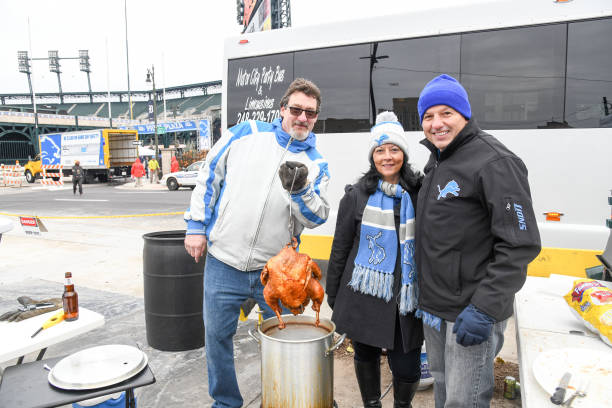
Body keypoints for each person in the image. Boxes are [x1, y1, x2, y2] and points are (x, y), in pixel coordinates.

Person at [184, 78, 331, 408]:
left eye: (310, 113)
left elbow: (317, 216)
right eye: (296, 109)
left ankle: (280, 400)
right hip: (224, 262)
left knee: (282, 342)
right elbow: (210, 175)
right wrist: (196, 225)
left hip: (276, 271)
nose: (302, 118)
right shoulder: (246, 133)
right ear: (282, 109)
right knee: (217, 337)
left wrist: (300, 191)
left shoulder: (316, 162)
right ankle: (225, 402)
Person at [414, 74, 541, 407]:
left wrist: (484, 309)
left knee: (464, 401)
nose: (436, 123)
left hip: (471, 312)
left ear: (464, 115)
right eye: (428, 116)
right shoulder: (439, 161)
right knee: (443, 391)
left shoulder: (495, 162)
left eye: (446, 113)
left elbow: (519, 244)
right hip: (437, 310)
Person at [326, 111, 423, 408]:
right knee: (365, 354)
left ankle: (402, 405)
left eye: (394, 149)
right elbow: (340, 247)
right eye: (380, 150)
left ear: (404, 153)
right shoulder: (357, 195)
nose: (387, 157)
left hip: (404, 297)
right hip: (364, 294)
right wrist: (333, 292)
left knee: (406, 367)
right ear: (372, 156)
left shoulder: (420, 192)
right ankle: (372, 404)